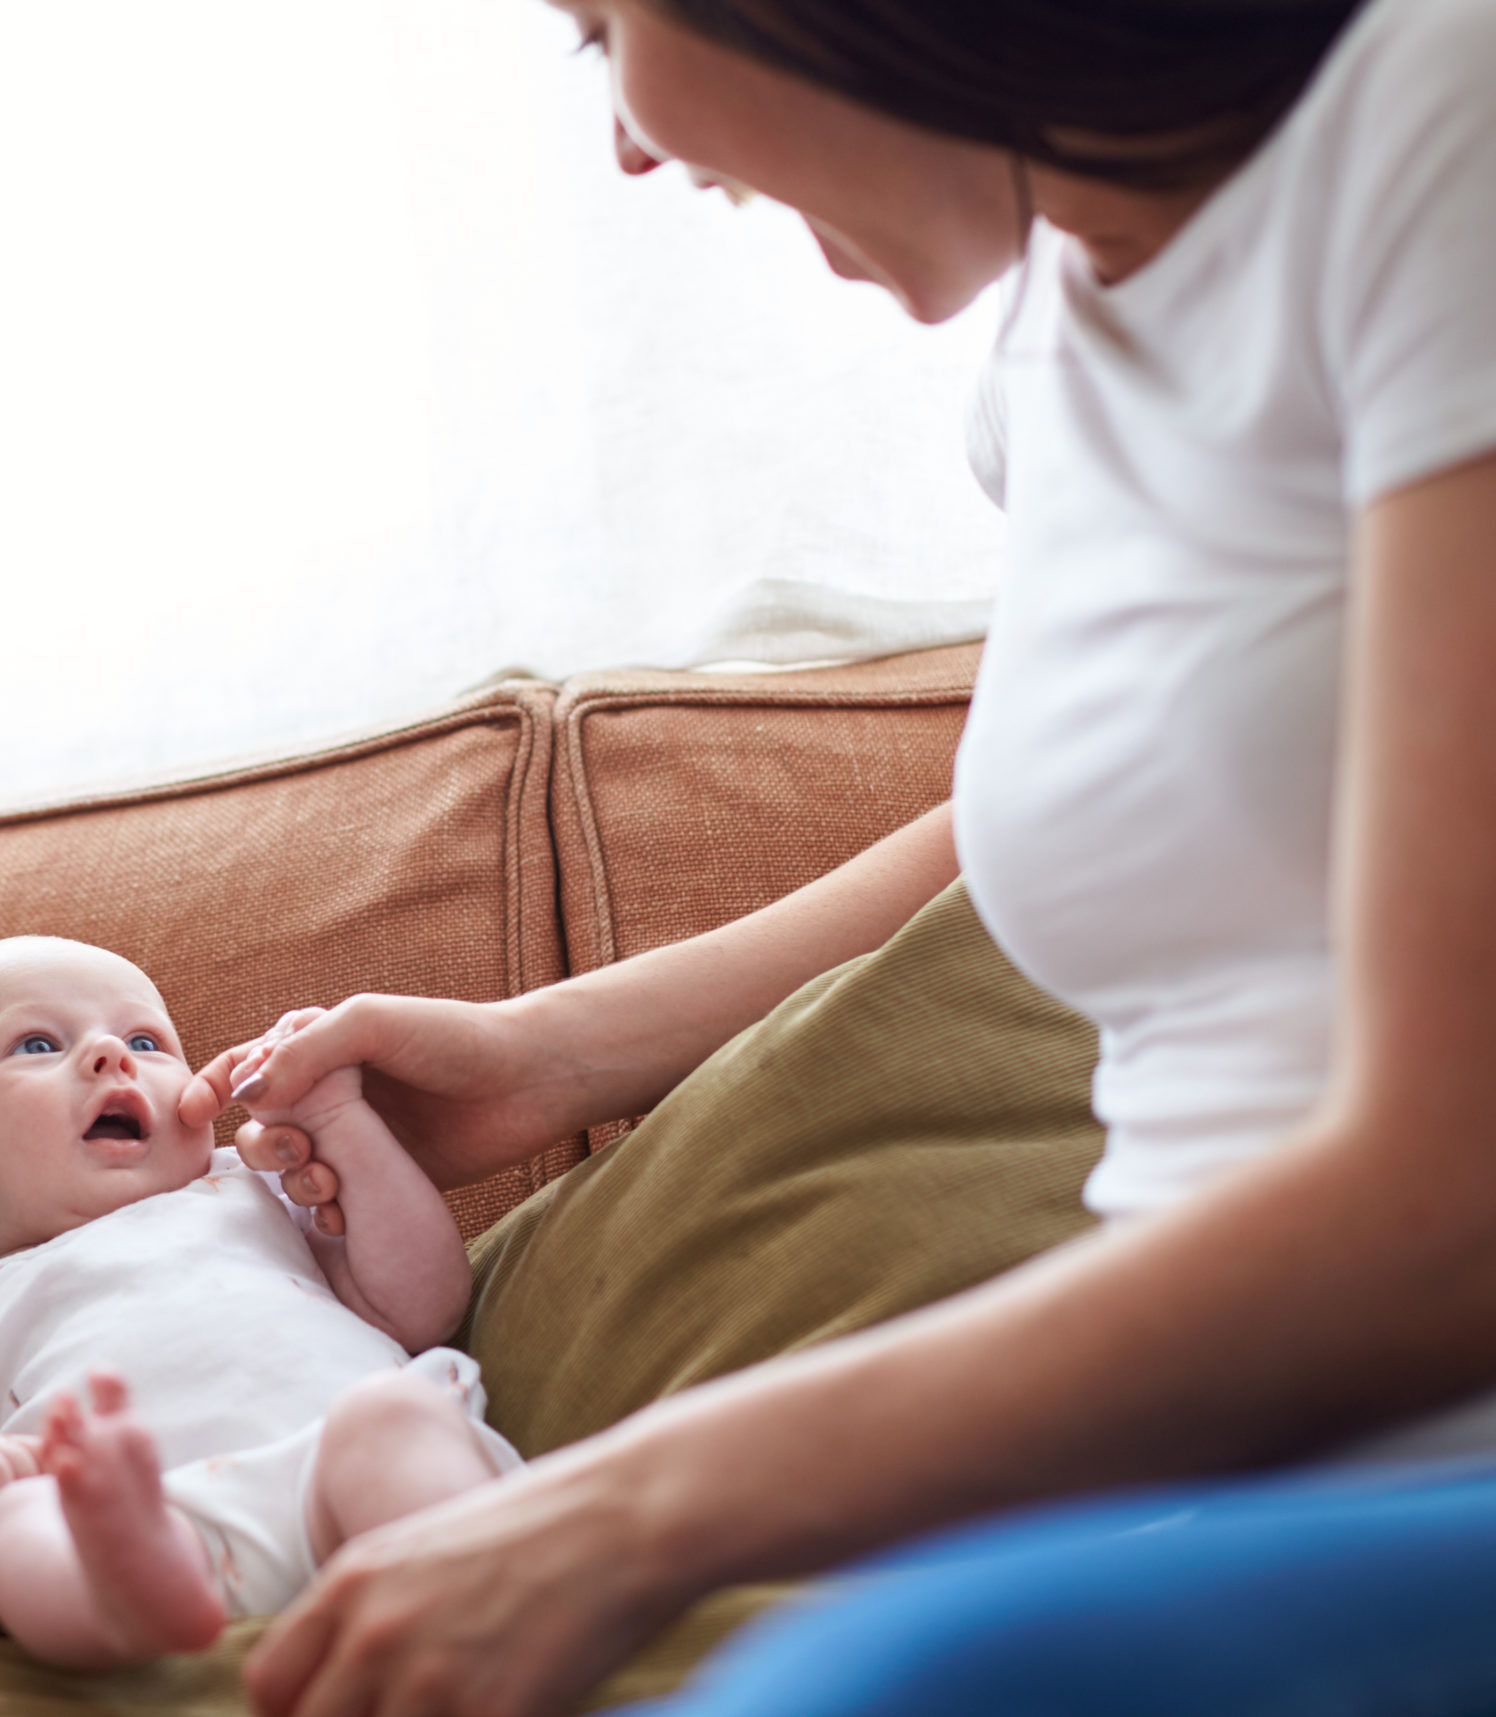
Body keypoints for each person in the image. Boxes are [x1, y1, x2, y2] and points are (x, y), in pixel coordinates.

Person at [173, 0, 1496, 1713]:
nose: (633, 146)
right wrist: (551, 1052)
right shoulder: (1060, 349)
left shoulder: (1437, 111)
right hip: (1225, 1495)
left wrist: (629, 1508)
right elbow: (1155, 808)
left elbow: (1445, 1212)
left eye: (597, 35)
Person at [0, 937, 516, 1668]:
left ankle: (464, 1621)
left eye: (145, 1040)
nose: (108, 1054)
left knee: (395, 1415)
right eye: (36, 1043)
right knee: (21, 1523)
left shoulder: (261, 1187)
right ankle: (144, 1592)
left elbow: (423, 1305)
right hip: (136, 1524)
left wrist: (342, 1120)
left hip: (334, 1457)